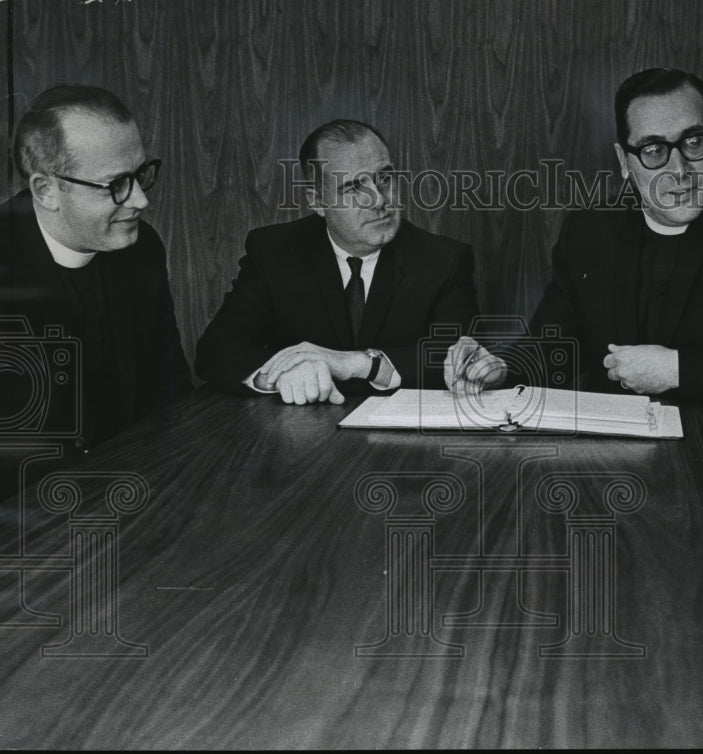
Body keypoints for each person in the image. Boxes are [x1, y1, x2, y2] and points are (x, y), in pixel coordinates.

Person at [447, 67, 703, 408]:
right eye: (653, 150)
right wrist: (500, 369)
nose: (678, 170)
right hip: (616, 458)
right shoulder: (590, 230)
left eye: (694, 142)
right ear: (623, 161)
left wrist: (678, 370)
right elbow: (554, 345)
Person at [195, 120, 479, 404]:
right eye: (354, 188)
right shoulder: (273, 252)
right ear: (317, 201)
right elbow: (218, 349)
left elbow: (460, 359)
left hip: (402, 441)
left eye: (385, 178)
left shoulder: (444, 260)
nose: (379, 200)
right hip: (299, 436)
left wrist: (358, 363)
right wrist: (281, 374)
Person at [0, 85, 191, 493]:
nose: (140, 199)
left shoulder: (142, 249)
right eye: (117, 183)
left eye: (140, 175)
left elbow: (168, 390)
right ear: (47, 190)